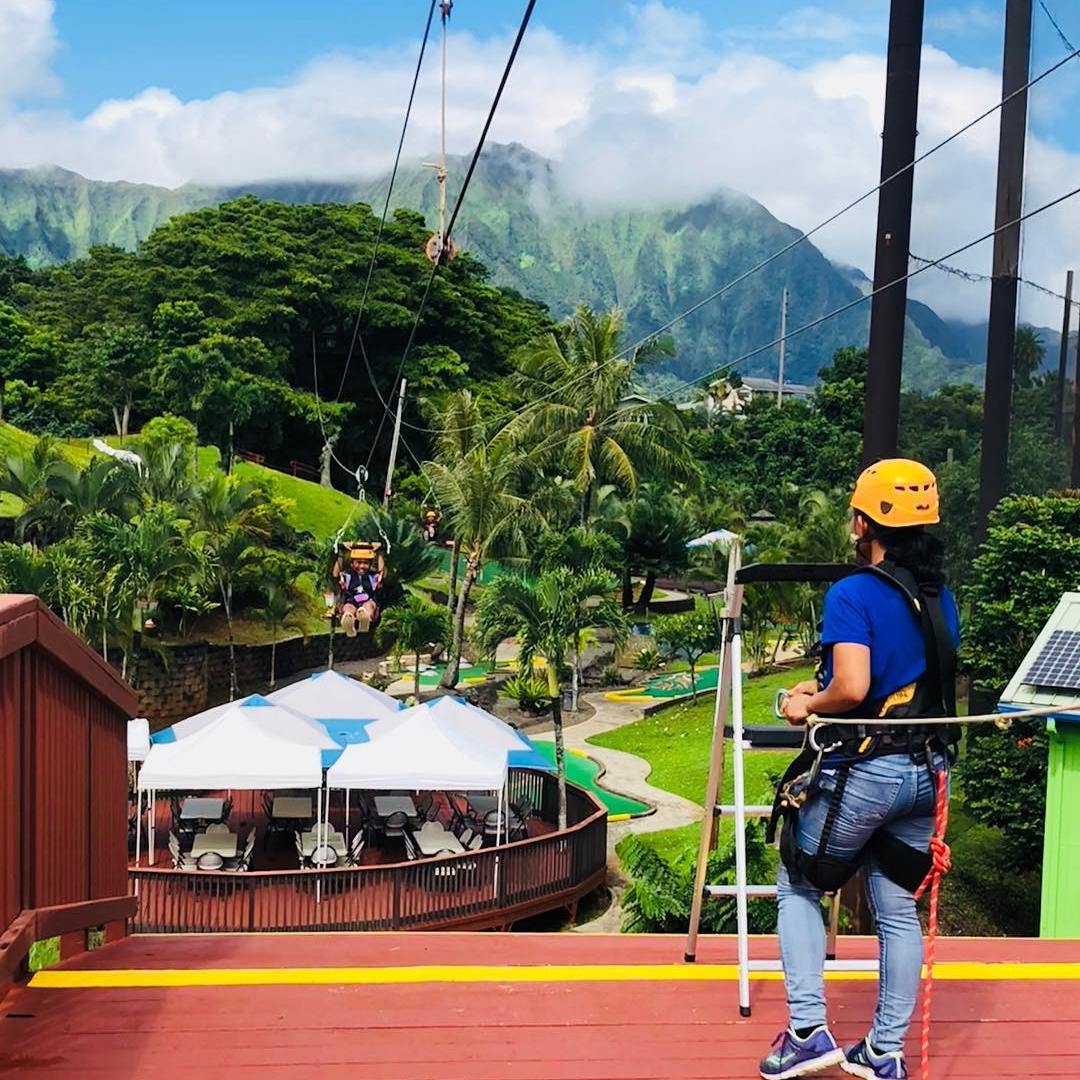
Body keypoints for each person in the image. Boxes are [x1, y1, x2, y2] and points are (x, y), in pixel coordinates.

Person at [758, 459, 960, 1080]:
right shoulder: (939, 594)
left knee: (799, 882)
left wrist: (803, 703)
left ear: (863, 523)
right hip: (927, 768)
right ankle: (884, 1050)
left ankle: (808, 1031)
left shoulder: (853, 592)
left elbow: (852, 686)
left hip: (868, 769)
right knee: (896, 906)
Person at [333, 542, 385, 636]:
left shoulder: (372, 576)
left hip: (368, 600)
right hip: (351, 601)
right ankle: (349, 622)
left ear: (369, 565)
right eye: (359, 562)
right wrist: (341, 553)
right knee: (347, 608)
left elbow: (381, 571)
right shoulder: (348, 575)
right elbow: (336, 573)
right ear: (352, 564)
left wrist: (379, 552)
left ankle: (365, 619)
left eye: (365, 563)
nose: (362, 566)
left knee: (368, 606)